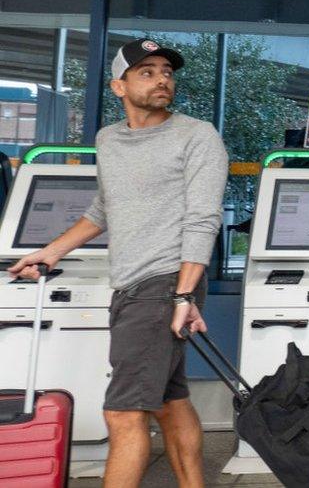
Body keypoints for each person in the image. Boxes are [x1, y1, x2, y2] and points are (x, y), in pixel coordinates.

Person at [8, 39, 228, 488]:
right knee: (169, 398)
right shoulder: (108, 140)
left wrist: (184, 294)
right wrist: (50, 251)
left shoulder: (197, 135)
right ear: (118, 86)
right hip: (130, 285)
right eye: (146, 72)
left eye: (166, 71)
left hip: (164, 283)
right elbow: (102, 211)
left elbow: (203, 219)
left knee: (123, 412)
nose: (162, 78)